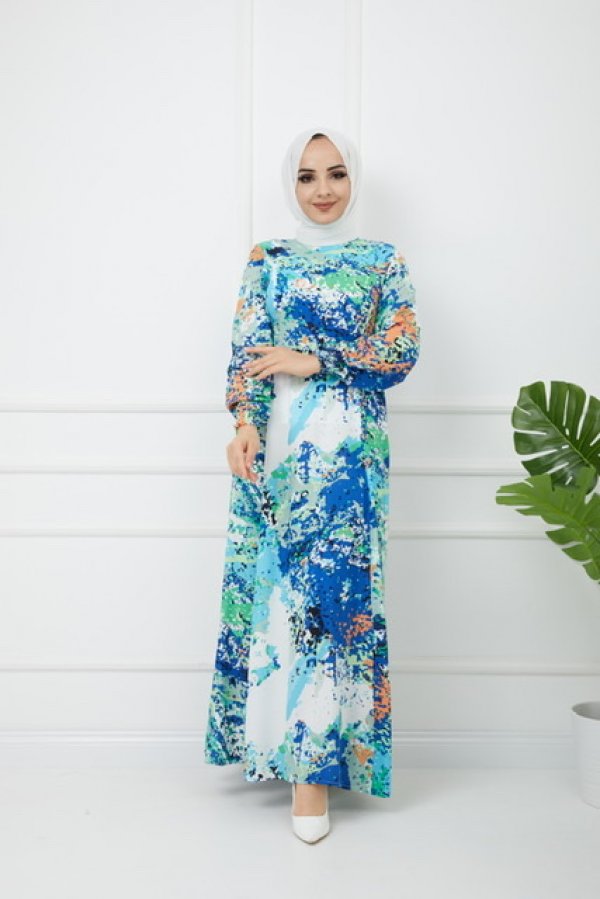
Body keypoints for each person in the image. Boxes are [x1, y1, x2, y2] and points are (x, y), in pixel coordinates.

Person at [204, 125, 421, 843]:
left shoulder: (382, 261)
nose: (322, 189)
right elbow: (246, 354)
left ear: (353, 179)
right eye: (306, 176)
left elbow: (401, 351)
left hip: (351, 457)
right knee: (280, 606)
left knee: (336, 606)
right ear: (290, 184)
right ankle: (283, 752)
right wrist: (244, 424)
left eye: (335, 174)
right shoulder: (267, 259)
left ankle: (317, 773)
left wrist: (316, 357)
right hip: (278, 454)